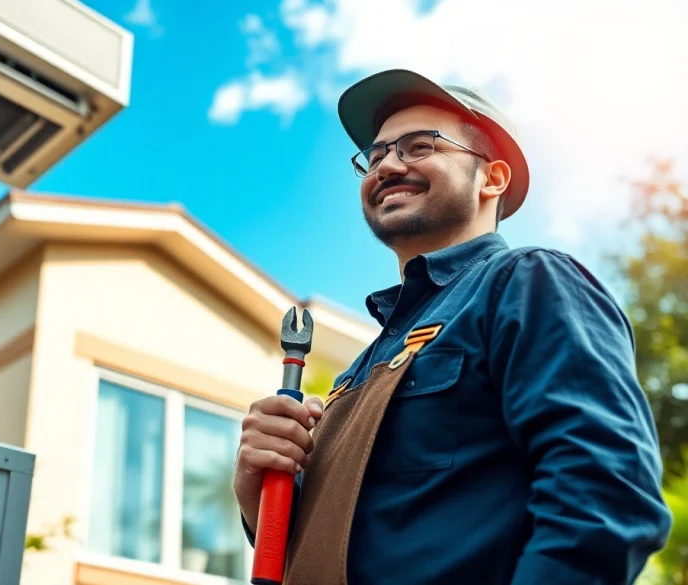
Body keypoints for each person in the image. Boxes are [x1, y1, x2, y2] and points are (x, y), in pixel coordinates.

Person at [234, 68, 672, 584]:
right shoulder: (356, 372)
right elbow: (334, 547)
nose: (387, 166)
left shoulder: (527, 282)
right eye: (375, 158)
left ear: (492, 178)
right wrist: (255, 495)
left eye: (420, 147)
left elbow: (604, 498)